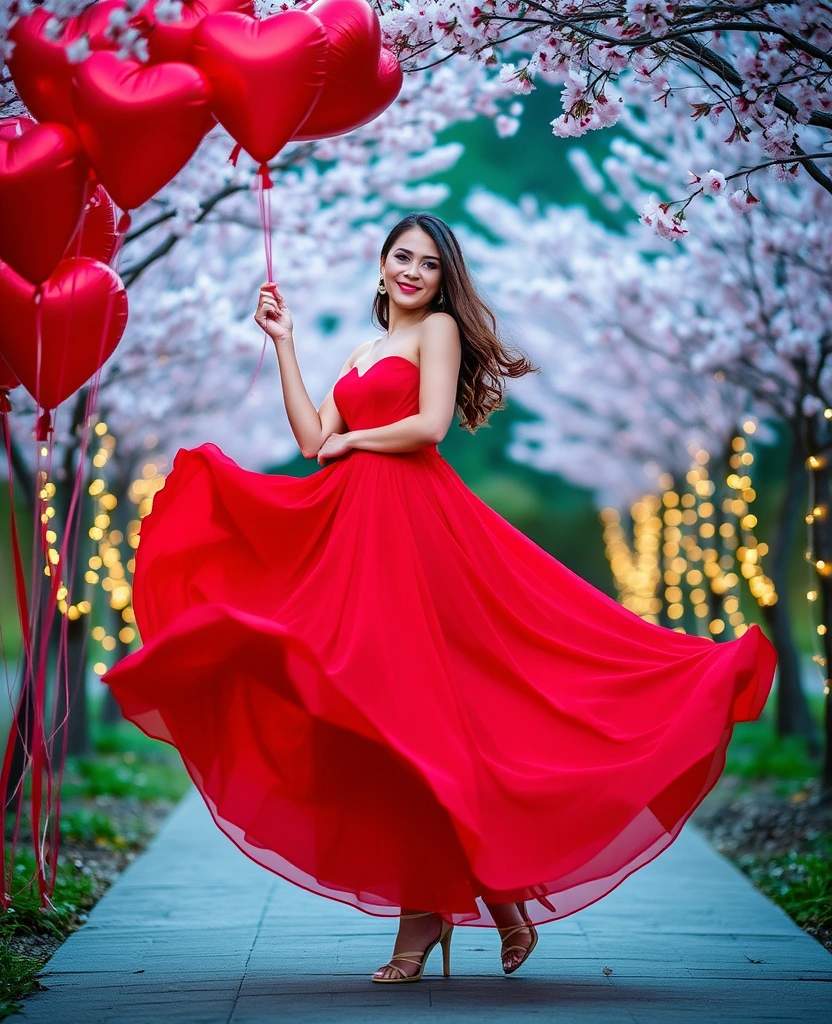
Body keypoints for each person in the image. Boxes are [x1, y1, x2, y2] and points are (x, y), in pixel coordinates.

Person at [103, 212, 777, 986]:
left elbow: (427, 427)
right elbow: (309, 440)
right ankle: (490, 896)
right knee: (389, 716)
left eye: (428, 262)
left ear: (443, 276)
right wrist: (284, 343)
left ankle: (443, 914)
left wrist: (352, 441)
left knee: (434, 710)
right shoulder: (361, 350)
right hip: (355, 537)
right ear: (381, 264)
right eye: (401, 257)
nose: (413, 272)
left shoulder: (439, 332)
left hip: (416, 529)